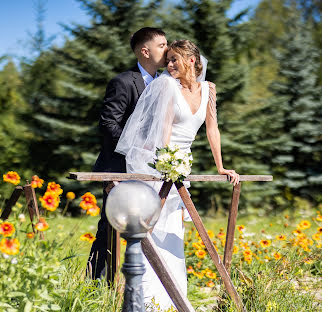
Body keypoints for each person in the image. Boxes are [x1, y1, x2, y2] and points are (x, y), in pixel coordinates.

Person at [115, 39, 239, 309]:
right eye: (167, 59)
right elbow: (164, 130)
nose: (168, 65)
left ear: (192, 61)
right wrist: (165, 164)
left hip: (181, 165)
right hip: (161, 162)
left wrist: (221, 166)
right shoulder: (168, 86)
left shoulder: (209, 89)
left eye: (174, 60)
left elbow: (211, 129)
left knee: (174, 227)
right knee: (154, 226)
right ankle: (145, 299)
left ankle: (172, 298)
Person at [88, 27, 168, 279]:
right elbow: (108, 124)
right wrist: (137, 148)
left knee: (150, 225)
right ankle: (97, 284)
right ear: (145, 51)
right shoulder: (123, 81)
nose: (167, 49)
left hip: (152, 169)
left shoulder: (167, 83)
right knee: (110, 226)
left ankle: (144, 283)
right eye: (162, 45)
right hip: (120, 166)